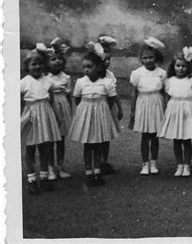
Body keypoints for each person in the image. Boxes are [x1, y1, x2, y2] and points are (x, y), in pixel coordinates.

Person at [68, 42, 119, 187]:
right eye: (84, 67)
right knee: (88, 145)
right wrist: (86, 111)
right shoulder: (80, 82)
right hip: (86, 116)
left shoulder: (107, 82)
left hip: (100, 116)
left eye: (89, 67)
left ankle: (97, 171)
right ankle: (88, 172)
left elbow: (111, 99)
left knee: (97, 145)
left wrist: (102, 111)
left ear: (99, 67)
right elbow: (77, 99)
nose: (86, 70)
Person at [21, 44, 62, 194]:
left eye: (40, 63)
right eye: (33, 64)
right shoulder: (23, 83)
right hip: (30, 116)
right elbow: (19, 103)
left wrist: (57, 115)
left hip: (45, 115)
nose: (37, 67)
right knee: (30, 148)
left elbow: (51, 100)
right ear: (27, 66)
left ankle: (44, 177)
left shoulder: (48, 81)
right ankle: (32, 179)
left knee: (45, 147)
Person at [159, 48, 192, 177]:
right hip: (174, 109)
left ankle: (186, 166)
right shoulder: (169, 80)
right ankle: (179, 165)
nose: (180, 69)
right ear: (173, 67)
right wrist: (167, 112)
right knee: (177, 140)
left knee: (187, 139)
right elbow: (167, 97)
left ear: (188, 67)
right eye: (178, 66)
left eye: (184, 66)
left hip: (188, 109)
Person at [129, 37, 166, 176]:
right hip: (143, 104)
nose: (148, 60)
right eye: (145, 58)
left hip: (156, 103)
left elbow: (164, 92)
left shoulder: (161, 73)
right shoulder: (137, 73)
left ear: (156, 58)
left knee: (155, 135)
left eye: (151, 57)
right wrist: (132, 111)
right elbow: (134, 93)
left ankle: (153, 162)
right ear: (141, 59)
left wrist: (166, 108)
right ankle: (145, 163)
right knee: (145, 136)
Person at [45, 38, 73, 180]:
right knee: (50, 140)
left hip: (62, 109)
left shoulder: (66, 77)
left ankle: (61, 167)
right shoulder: (45, 78)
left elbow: (69, 96)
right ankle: (50, 168)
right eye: (53, 59)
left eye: (59, 59)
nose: (57, 61)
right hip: (50, 107)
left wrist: (70, 112)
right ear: (47, 62)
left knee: (60, 140)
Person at [98, 36, 123, 175]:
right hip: (96, 108)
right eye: (103, 60)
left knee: (106, 136)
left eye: (108, 60)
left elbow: (114, 93)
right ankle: (96, 162)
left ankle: (104, 161)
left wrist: (119, 108)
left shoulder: (110, 75)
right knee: (96, 135)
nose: (106, 63)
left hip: (109, 108)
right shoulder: (92, 74)